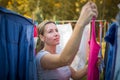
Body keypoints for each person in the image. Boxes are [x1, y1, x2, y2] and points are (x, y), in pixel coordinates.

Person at [36, 1, 98, 80]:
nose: (56, 34)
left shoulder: (59, 52)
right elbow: (64, 60)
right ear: (42, 37)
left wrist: (92, 64)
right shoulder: (42, 57)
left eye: (56, 30)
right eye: (50, 31)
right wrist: (80, 23)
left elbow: (75, 75)